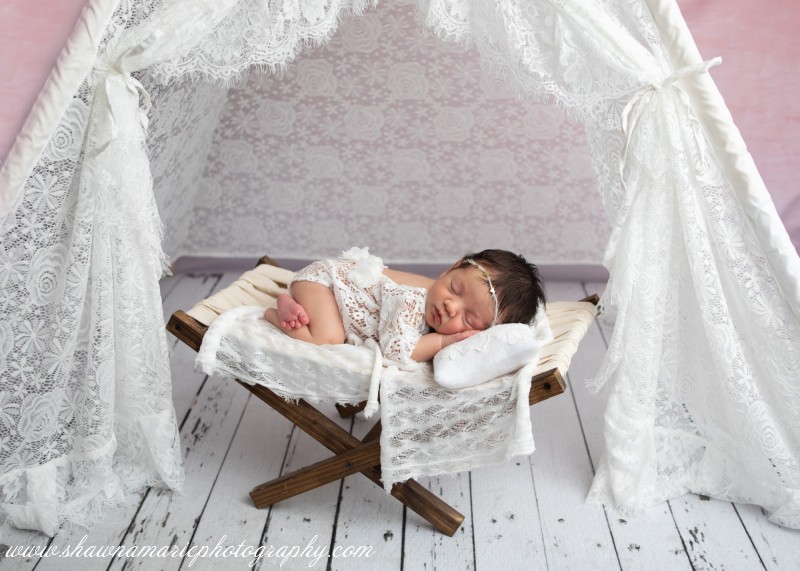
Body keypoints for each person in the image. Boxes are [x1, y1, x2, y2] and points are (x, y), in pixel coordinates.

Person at [263, 247, 546, 364]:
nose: (450, 306)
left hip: (332, 296)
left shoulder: (438, 295)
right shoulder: (411, 300)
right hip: (323, 283)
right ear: (452, 267)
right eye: (454, 288)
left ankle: (296, 302)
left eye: (469, 319)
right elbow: (395, 350)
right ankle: (279, 311)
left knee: (332, 330)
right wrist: (443, 341)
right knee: (329, 338)